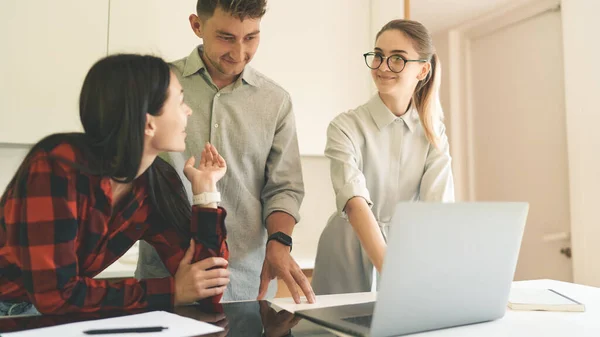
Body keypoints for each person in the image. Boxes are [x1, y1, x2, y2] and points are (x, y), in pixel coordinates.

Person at [0, 54, 230, 315]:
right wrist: (173, 291)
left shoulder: (155, 183)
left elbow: (209, 289)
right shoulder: (57, 165)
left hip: (55, 313)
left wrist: (206, 192)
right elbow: (56, 297)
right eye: (180, 102)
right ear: (148, 122)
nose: (188, 110)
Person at [136, 0, 315, 304]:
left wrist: (279, 241)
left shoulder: (276, 101)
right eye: (226, 37)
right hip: (167, 279)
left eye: (251, 37)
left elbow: (284, 188)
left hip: (247, 282)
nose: (239, 53)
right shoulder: (160, 85)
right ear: (197, 26)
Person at [311, 19, 455, 295]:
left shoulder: (433, 133)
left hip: (405, 252)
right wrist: (392, 272)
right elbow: (354, 203)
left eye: (397, 59)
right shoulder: (345, 127)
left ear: (422, 70)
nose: (383, 66)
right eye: (378, 56)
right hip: (345, 251)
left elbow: (439, 209)